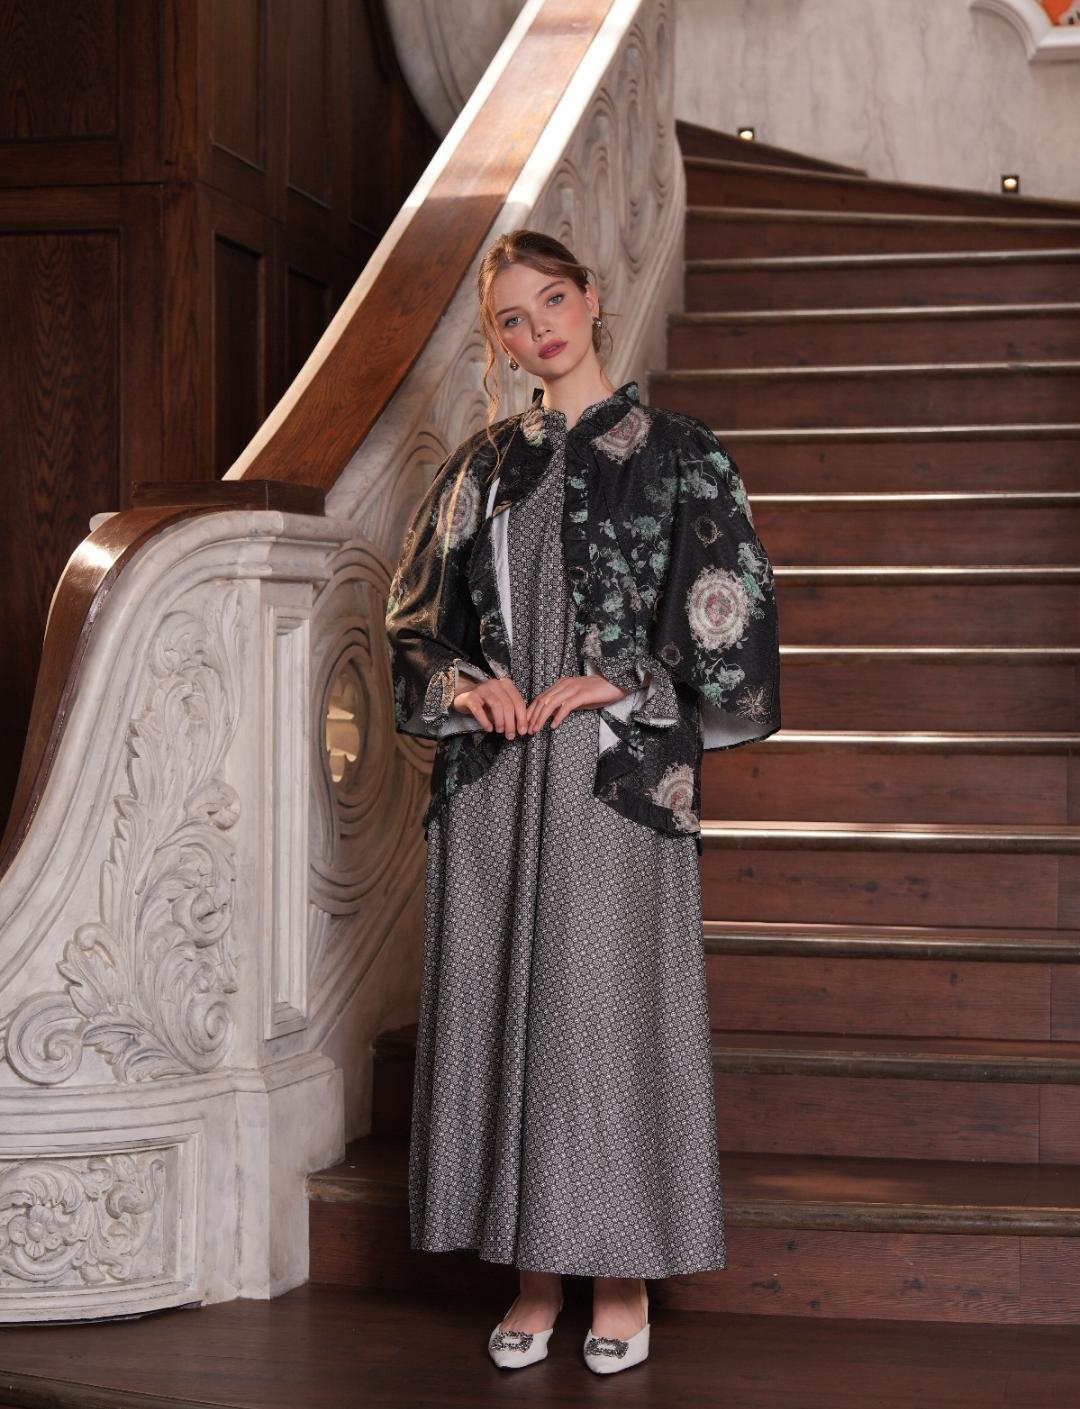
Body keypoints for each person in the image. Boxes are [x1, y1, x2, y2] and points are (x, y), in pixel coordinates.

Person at [384, 229, 781, 1374]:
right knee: (506, 1012)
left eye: (552, 300)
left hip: (615, 773)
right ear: (499, 340)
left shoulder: (682, 453)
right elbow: (417, 623)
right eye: (512, 318)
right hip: (496, 776)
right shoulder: (482, 469)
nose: (538, 329)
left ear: (593, 297)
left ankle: (619, 1275)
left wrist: (621, 677)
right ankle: (532, 1275)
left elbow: (733, 619)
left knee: (602, 1023)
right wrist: (471, 684)